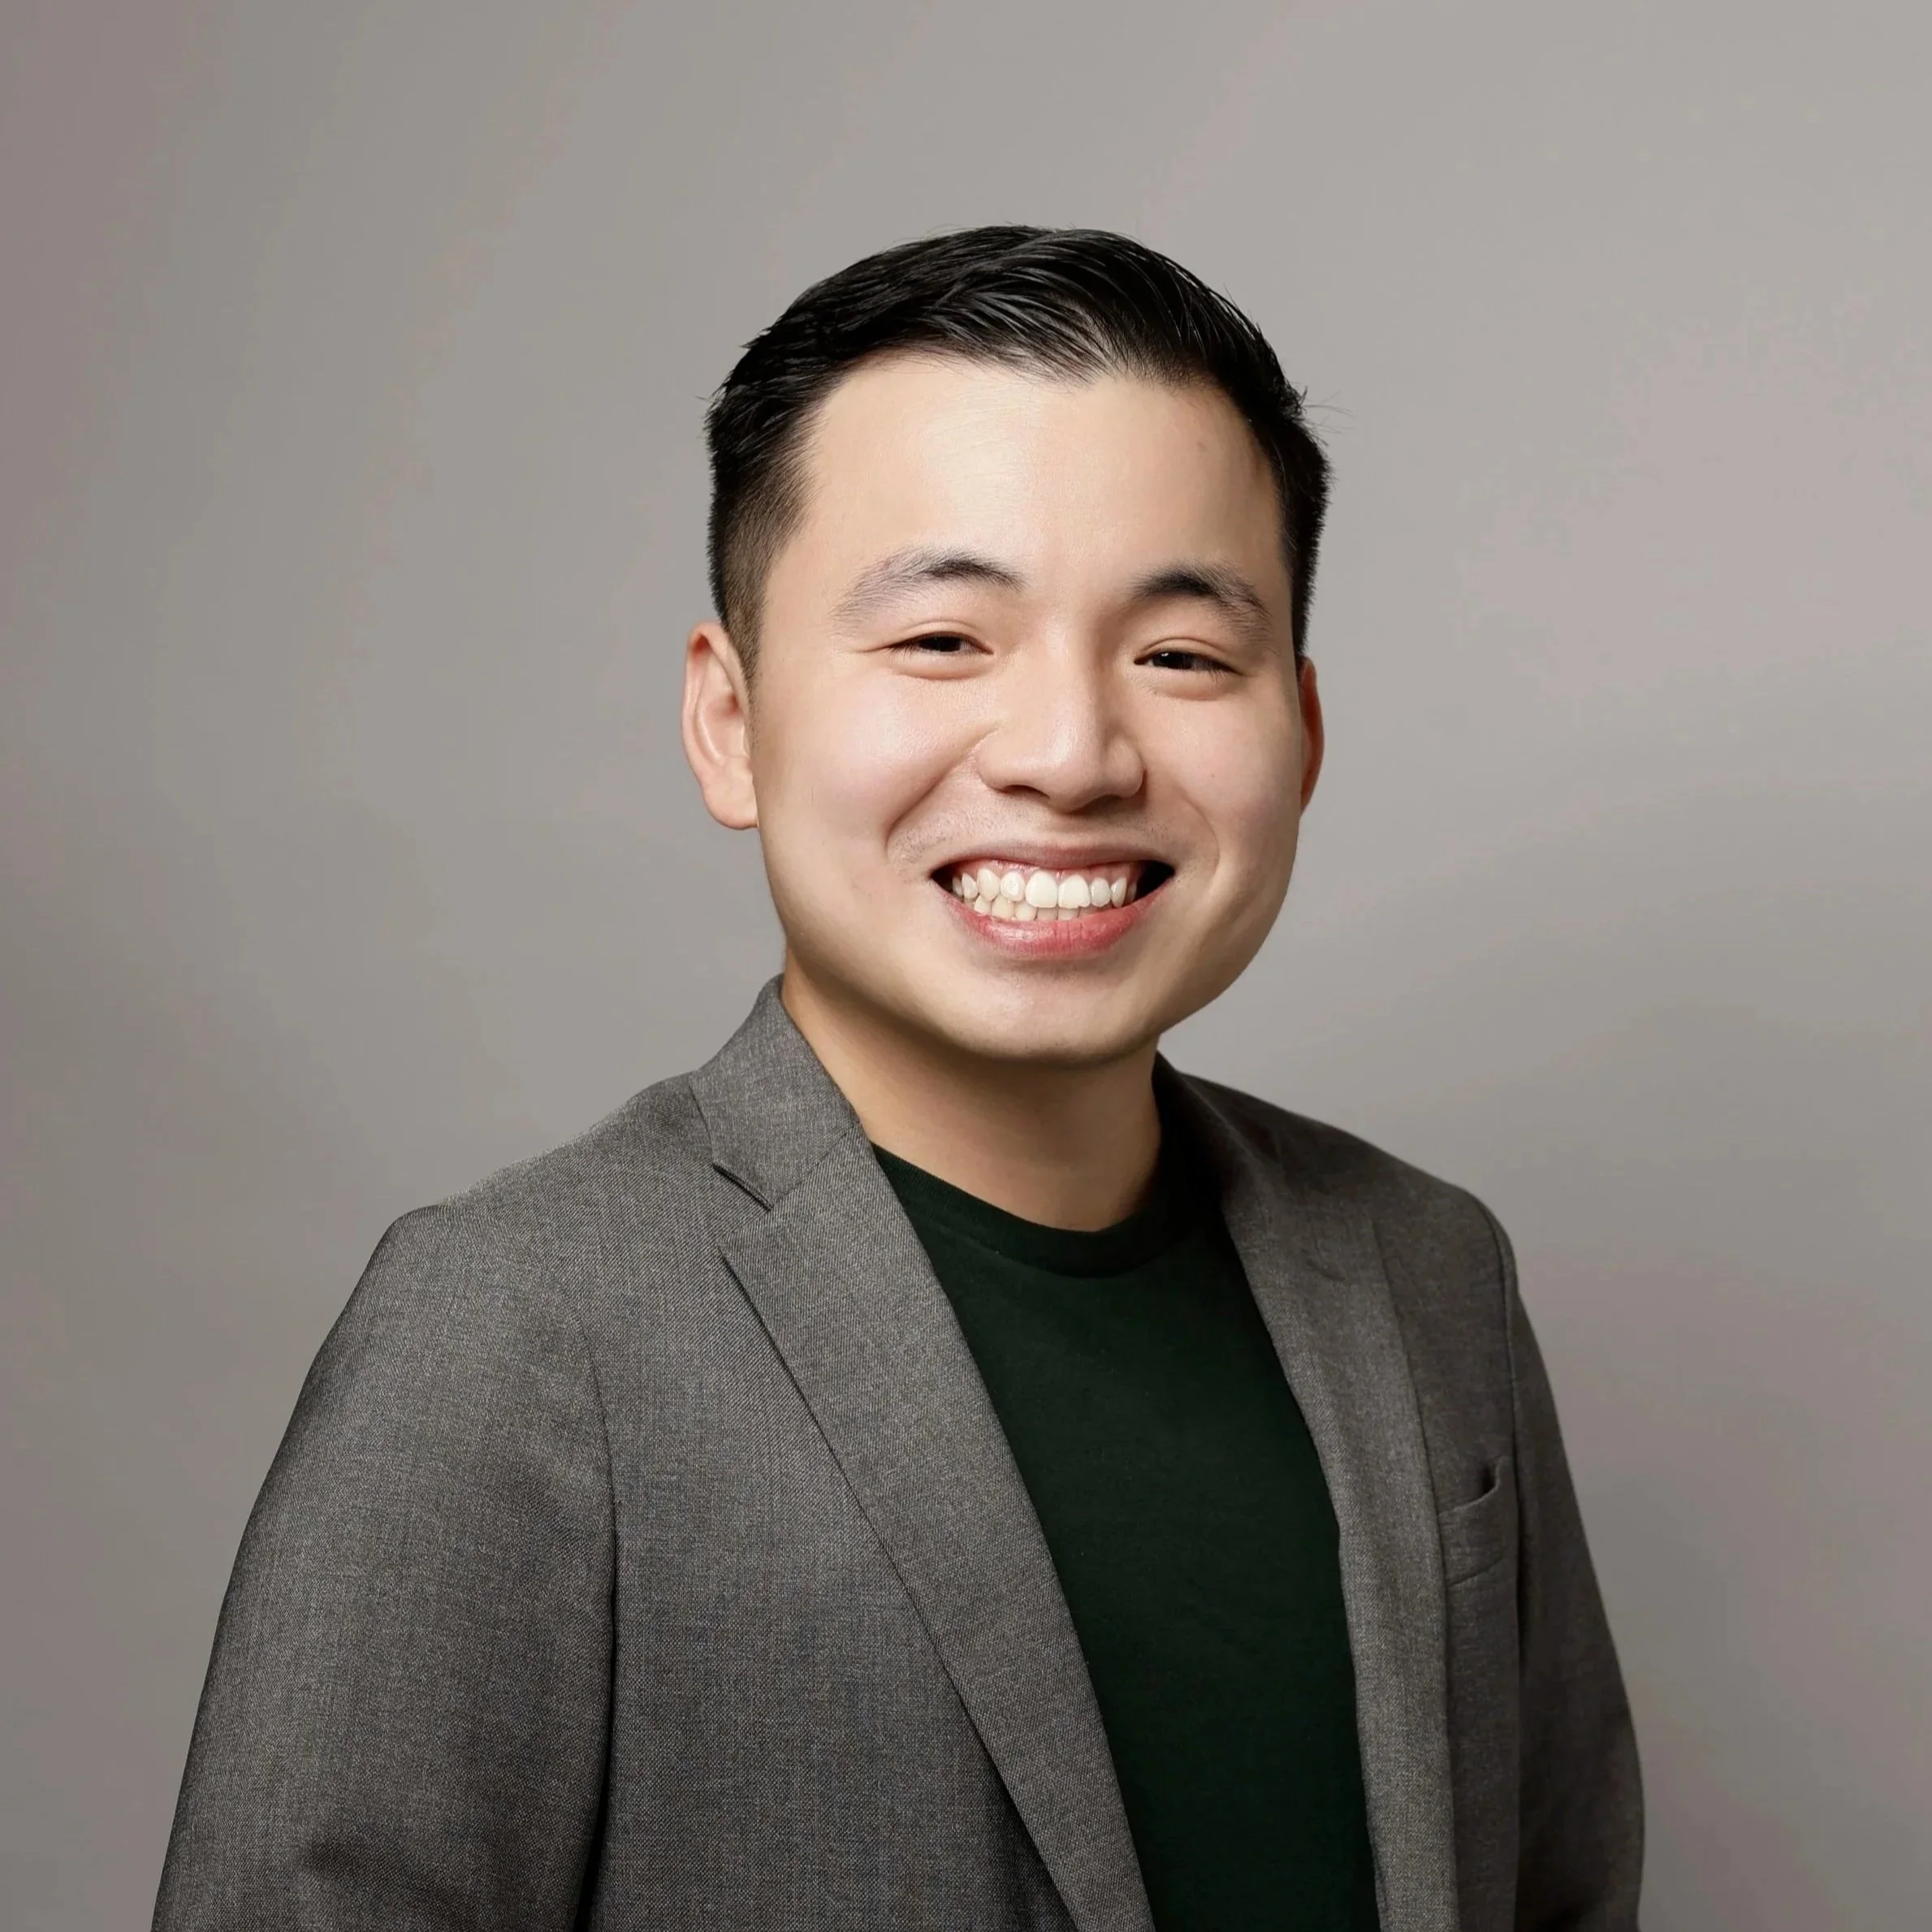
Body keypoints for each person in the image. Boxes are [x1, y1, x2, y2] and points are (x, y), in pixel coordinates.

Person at [153, 227, 1641, 1932]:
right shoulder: (515, 1326)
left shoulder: (1424, 1271)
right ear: (729, 719)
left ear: (1299, 730)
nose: (1070, 754)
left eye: (1179, 654)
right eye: (944, 640)